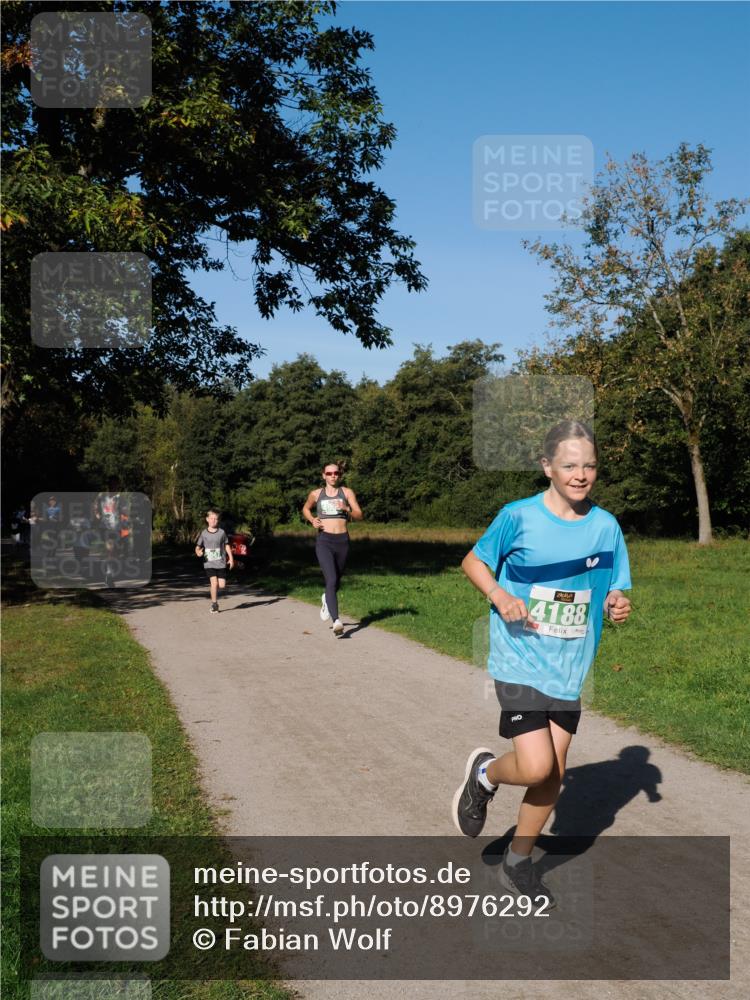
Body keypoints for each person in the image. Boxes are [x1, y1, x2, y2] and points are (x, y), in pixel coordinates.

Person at [451, 420, 632, 906]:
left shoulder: (606, 526)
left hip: (570, 667)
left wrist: (616, 601)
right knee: (536, 767)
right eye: (570, 465)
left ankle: (517, 863)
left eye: (589, 465)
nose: (580, 474)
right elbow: (474, 561)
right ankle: (486, 775)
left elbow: (614, 584)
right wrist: (498, 594)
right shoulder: (518, 516)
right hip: (519, 659)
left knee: (553, 774)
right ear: (547, 466)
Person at [302, 462, 363, 636]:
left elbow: (360, 515)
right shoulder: (316, 494)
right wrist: (312, 519)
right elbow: (305, 508)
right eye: (329, 473)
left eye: (336, 473)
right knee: (331, 579)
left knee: (336, 582)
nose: (333, 476)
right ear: (323, 475)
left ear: (339, 475)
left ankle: (326, 599)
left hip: (343, 540)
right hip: (324, 541)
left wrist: (348, 509)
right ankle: (336, 620)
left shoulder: (347, 492)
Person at [195, 508, 234, 613]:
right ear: (207, 519)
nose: (213, 521)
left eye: (216, 519)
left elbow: (226, 546)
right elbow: (198, 547)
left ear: (218, 521)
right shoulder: (204, 533)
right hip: (209, 563)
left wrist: (231, 558)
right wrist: (198, 552)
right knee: (214, 583)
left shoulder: (222, 533)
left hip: (220, 562)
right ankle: (214, 604)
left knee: (222, 585)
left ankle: (215, 599)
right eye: (211, 518)